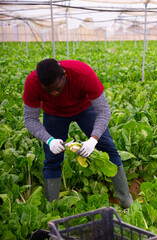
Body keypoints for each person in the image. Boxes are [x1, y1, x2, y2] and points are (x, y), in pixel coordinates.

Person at [23, 58, 133, 208]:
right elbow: (30, 119)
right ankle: (52, 210)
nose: (55, 93)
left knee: (107, 148)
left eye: (58, 88)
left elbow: (103, 111)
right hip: (54, 114)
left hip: (85, 109)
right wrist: (49, 140)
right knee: (51, 160)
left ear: (64, 74)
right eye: (49, 90)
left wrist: (93, 140)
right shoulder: (32, 83)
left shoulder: (83, 73)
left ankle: (126, 201)